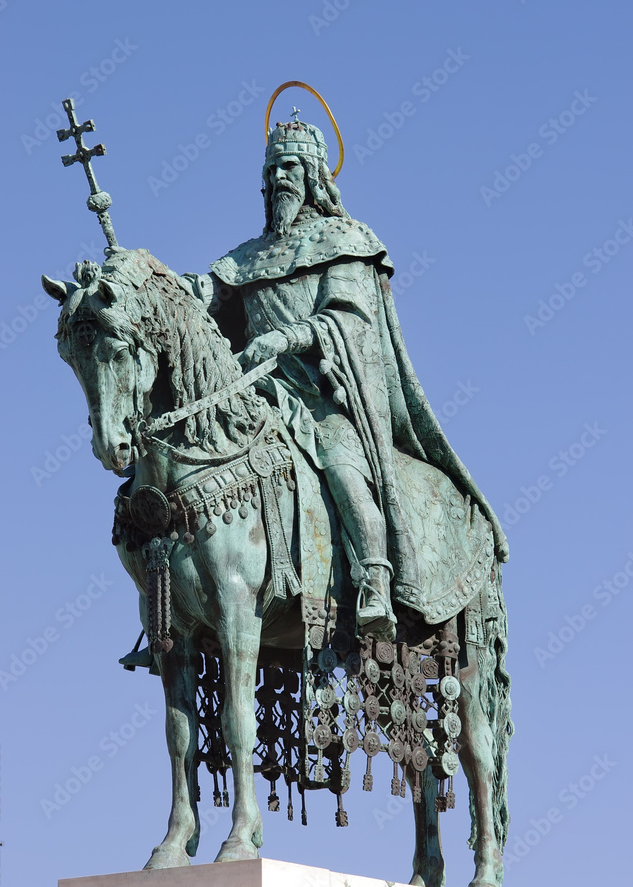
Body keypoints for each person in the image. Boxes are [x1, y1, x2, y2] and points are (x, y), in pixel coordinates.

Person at [184, 118, 507, 637]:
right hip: (257, 394)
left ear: (313, 174)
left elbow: (345, 322)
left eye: (290, 166)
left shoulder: (344, 240)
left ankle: (376, 579)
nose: (278, 178)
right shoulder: (244, 259)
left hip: (322, 395)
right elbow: (208, 305)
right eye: (271, 169)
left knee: (340, 463)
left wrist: (281, 340)